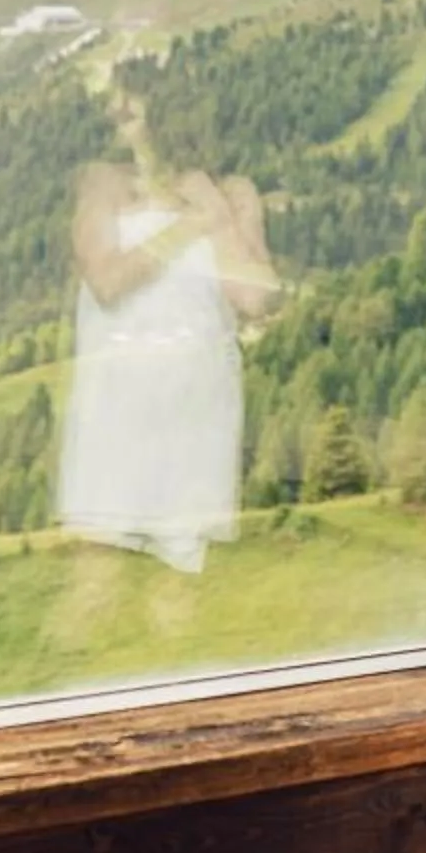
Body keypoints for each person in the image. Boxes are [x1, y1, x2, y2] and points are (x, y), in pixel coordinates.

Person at [54, 103, 277, 571]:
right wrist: (186, 226)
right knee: (100, 571)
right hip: (120, 403)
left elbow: (254, 298)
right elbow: (108, 282)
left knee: (182, 577)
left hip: (198, 406)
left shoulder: (232, 193)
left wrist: (214, 214)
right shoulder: (105, 185)